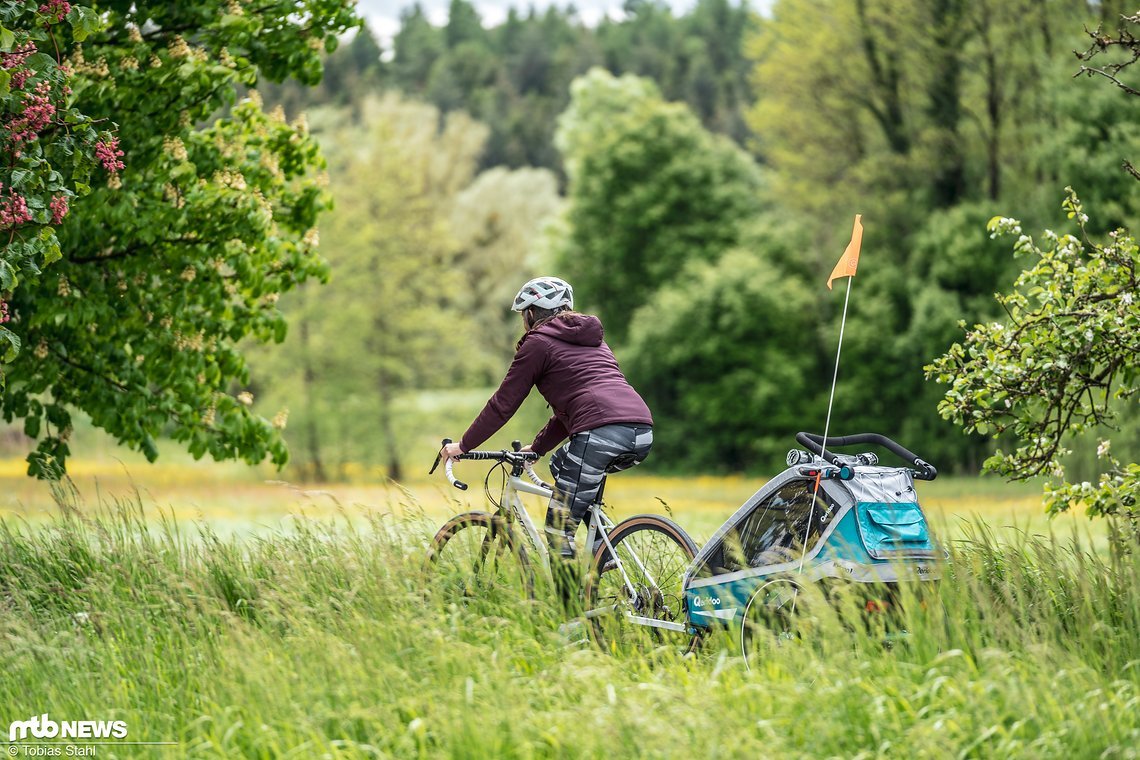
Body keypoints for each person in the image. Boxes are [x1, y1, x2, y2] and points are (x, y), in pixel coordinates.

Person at [441, 276, 653, 559]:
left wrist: (464, 445)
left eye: (522, 316)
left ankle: (571, 605)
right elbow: (574, 409)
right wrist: (538, 448)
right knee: (561, 463)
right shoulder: (596, 343)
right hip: (640, 430)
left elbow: (503, 403)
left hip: (599, 433)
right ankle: (602, 552)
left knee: (557, 531)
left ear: (530, 314)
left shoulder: (538, 343)